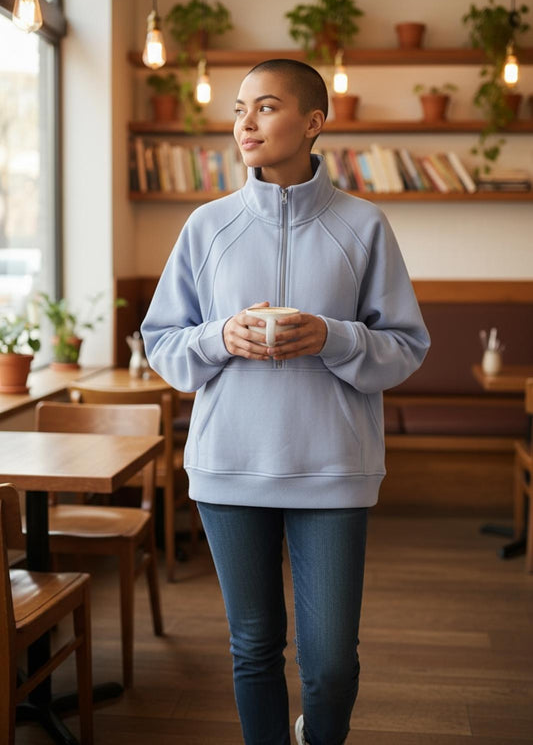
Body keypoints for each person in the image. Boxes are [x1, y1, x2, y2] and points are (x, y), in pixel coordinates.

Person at [141, 59, 430, 745]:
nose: (244, 121)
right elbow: (162, 343)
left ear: (312, 123)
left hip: (332, 471)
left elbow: (405, 347)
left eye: (266, 107)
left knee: (329, 663)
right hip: (227, 467)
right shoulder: (205, 227)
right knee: (253, 648)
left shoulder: (363, 225)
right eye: (239, 108)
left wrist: (331, 335)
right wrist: (221, 335)